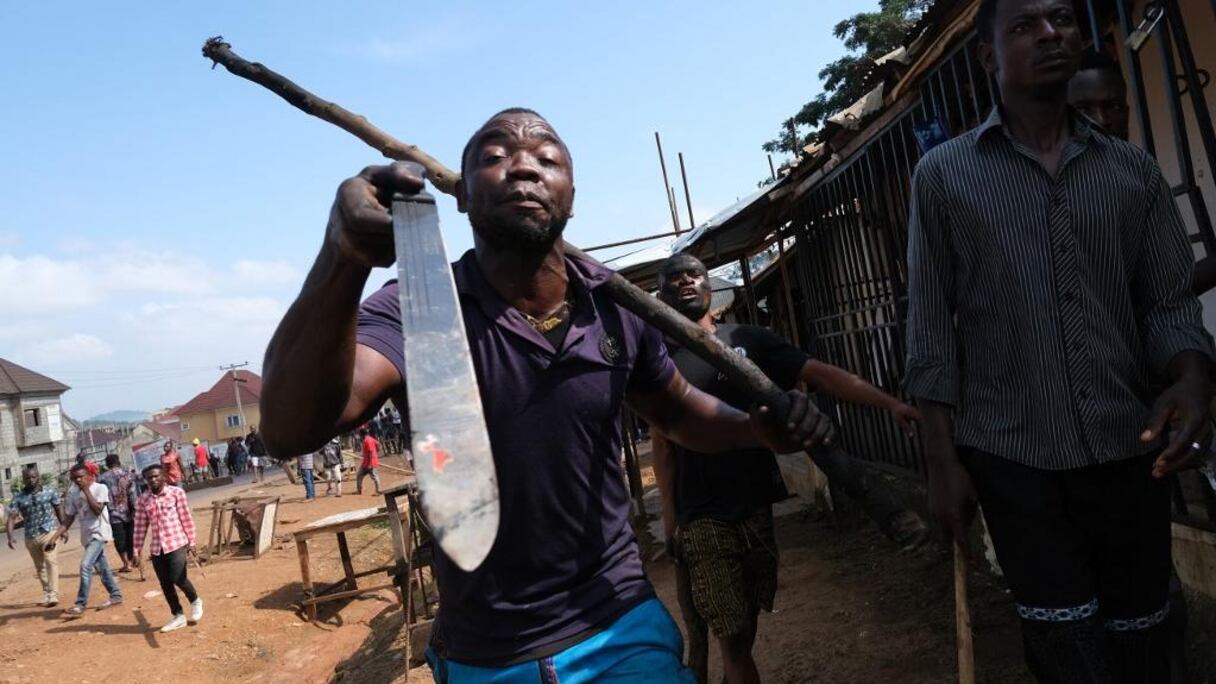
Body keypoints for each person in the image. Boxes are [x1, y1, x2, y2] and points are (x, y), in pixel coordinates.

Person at [258, 108, 831, 680]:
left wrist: (754, 430)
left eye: (546, 157)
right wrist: (343, 257)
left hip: (621, 624)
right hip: (487, 654)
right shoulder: (421, 309)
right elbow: (291, 430)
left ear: (571, 195)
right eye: (494, 157)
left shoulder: (615, 307)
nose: (523, 168)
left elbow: (679, 410)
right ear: (461, 198)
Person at [906, 1, 1215, 680]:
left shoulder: (1131, 172)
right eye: (1025, 25)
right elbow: (929, 329)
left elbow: (1166, 304)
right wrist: (941, 461)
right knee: (1066, 655)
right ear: (988, 57)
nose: (1052, 33)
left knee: (1145, 644)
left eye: (1063, 19)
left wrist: (1192, 378)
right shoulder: (944, 177)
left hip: (1128, 452)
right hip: (1013, 459)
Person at [653, 253, 925, 684]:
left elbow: (820, 374)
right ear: (661, 293)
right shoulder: (657, 359)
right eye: (674, 278)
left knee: (747, 626)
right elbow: (662, 446)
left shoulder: (747, 339)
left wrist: (890, 403)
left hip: (755, 503)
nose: (686, 282)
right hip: (700, 514)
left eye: (695, 275)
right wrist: (671, 521)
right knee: (734, 635)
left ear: (709, 287)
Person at [1068, 52, 1192, 683]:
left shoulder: (1136, 179)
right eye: (1084, 108)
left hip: (1155, 414)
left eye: (1112, 105)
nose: (1102, 119)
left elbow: (1164, 297)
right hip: (1091, 432)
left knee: (1156, 594)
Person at [131, 464, 202, 633]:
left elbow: (186, 518)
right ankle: (178, 616)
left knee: (178, 577)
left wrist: (191, 542)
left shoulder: (176, 493)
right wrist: (136, 549)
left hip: (177, 542)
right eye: (149, 478)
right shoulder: (143, 500)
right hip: (157, 548)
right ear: (146, 480)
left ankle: (195, 600)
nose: (153, 480)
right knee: (165, 583)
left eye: (156, 476)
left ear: (163, 476)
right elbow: (140, 526)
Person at [54, 463, 123, 618]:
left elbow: (98, 510)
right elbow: (69, 519)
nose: (78, 480)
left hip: (99, 534)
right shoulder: (73, 495)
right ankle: (115, 595)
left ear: (88, 475)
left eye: (81, 477)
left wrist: (86, 490)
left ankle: (80, 604)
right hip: (86, 537)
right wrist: (54, 537)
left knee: (85, 565)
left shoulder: (100, 488)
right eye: (75, 478)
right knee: (102, 568)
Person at [5, 465, 65, 607]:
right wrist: (10, 536)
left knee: (51, 561)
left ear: (38, 477)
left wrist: (64, 528)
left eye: (33, 477)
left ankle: (53, 594)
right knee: (40, 566)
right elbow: (12, 518)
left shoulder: (50, 491)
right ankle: (47, 591)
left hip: (49, 532)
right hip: (31, 536)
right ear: (23, 480)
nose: (31, 480)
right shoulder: (19, 497)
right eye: (27, 478)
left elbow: (58, 508)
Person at [97, 454, 140, 576]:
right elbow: (132, 494)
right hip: (129, 511)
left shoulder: (102, 478)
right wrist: (135, 508)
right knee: (131, 535)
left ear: (107, 464)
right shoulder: (128, 474)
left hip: (113, 513)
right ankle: (132, 559)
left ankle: (126, 563)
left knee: (119, 538)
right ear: (118, 461)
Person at [356, 428, 381, 496]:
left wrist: (370, 464)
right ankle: (359, 490)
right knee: (359, 475)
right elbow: (378, 444)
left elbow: (370, 452)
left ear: (362, 434)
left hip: (370, 463)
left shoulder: (368, 441)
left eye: (360, 434)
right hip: (365, 463)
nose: (359, 436)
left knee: (375, 477)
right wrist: (377, 451)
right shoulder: (368, 439)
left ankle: (378, 491)